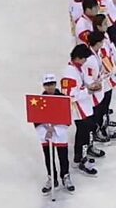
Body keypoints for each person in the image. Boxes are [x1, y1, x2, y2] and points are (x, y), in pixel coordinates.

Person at [61, 44, 102, 176]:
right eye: (84, 59)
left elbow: (83, 83)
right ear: (78, 58)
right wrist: (88, 90)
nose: (86, 62)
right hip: (78, 110)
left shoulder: (77, 68)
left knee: (86, 132)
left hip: (85, 106)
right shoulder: (69, 74)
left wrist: (91, 85)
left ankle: (83, 154)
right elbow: (69, 95)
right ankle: (79, 159)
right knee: (82, 134)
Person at [36, 74, 73, 194]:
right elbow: (36, 117)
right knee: (48, 156)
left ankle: (65, 176)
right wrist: (46, 128)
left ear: (55, 84)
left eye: (51, 84)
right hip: (46, 132)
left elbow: (67, 116)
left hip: (60, 131)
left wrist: (54, 127)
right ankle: (52, 178)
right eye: (47, 85)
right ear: (43, 86)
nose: (49, 87)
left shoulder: (62, 98)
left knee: (63, 156)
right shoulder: (39, 100)